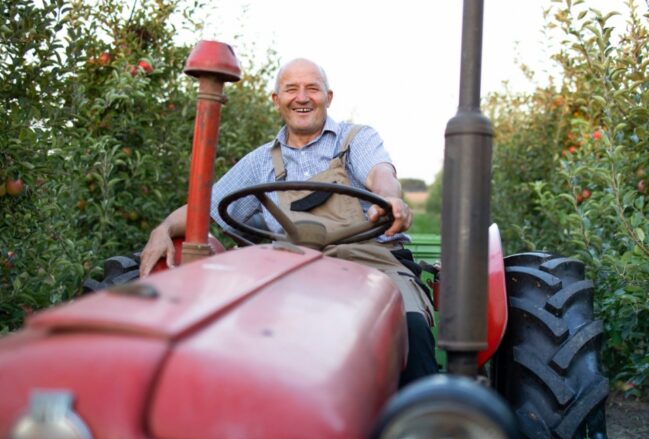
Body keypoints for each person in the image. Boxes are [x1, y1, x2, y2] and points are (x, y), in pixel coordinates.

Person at [140, 58, 437, 386]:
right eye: (291, 89)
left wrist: (391, 198)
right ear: (276, 99)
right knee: (238, 329)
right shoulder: (259, 162)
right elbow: (203, 208)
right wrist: (163, 228)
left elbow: (381, 173)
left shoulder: (355, 139)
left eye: (312, 88)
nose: (302, 97)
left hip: (372, 265)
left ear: (329, 97)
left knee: (410, 326)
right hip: (294, 271)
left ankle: (424, 425)